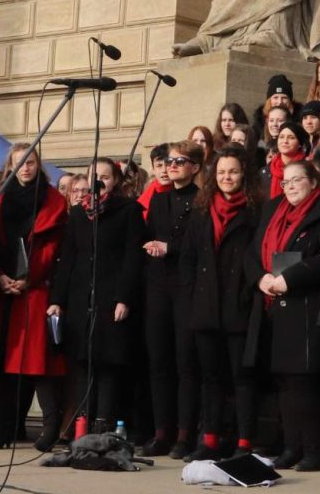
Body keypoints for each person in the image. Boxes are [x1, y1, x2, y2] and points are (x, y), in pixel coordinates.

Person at [245, 158, 320, 470]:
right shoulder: (272, 209)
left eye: (298, 180)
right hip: (273, 304)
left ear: (313, 181)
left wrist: (290, 278)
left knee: (305, 382)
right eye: (286, 181)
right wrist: (260, 278)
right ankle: (291, 446)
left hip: (307, 304)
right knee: (283, 381)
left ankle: (314, 450)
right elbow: (252, 252)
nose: (291, 186)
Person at [0, 143, 70, 451]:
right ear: (10, 166)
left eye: (30, 162)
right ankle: (4, 427)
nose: (25, 168)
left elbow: (52, 248)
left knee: (37, 361)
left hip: (35, 288)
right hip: (1, 289)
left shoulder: (53, 200)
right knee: (2, 363)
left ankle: (50, 424)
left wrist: (28, 277)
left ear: (38, 164)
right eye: (19, 163)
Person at [49, 158, 145, 435]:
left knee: (108, 363)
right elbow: (68, 257)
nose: (99, 182)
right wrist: (57, 300)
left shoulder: (128, 210)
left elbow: (132, 257)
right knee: (82, 362)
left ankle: (104, 421)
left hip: (111, 297)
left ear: (115, 181)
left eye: (105, 177)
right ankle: (83, 422)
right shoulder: (79, 214)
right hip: (81, 297)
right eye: (95, 176)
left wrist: (124, 297)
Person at [187, 148, 261, 458]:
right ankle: (210, 440)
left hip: (238, 305)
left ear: (244, 174)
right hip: (206, 306)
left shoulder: (256, 211)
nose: (226, 177)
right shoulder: (201, 210)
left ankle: (244, 442)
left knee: (242, 378)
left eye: (232, 171)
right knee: (211, 377)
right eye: (221, 172)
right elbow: (190, 259)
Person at [139, 142, 202, 457]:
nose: (172, 165)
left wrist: (170, 249)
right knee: (159, 362)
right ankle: (161, 432)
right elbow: (150, 234)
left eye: (180, 160)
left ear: (195, 167)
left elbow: (201, 246)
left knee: (185, 363)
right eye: (169, 160)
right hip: (158, 286)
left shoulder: (202, 200)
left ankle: (184, 434)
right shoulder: (159, 199)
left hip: (187, 288)